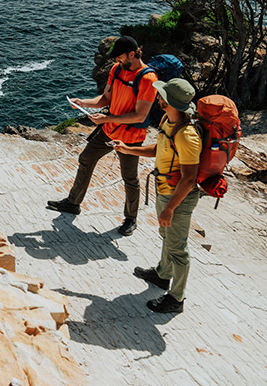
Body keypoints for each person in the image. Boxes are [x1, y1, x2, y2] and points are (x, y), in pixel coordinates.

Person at [47, 35, 156, 236]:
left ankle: (131, 219)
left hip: (130, 137)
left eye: (120, 57)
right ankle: (73, 203)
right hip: (109, 129)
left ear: (132, 54)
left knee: (129, 177)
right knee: (86, 158)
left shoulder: (148, 79)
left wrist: (106, 119)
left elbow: (139, 115)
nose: (116, 60)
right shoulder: (116, 70)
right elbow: (105, 99)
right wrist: (84, 103)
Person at [111, 78, 202, 314]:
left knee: (178, 248)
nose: (157, 98)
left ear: (169, 102)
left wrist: (170, 208)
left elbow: (189, 178)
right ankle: (163, 274)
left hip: (178, 197)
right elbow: (159, 149)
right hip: (165, 190)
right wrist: (129, 148)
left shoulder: (187, 135)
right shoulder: (167, 121)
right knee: (166, 235)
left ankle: (176, 298)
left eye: (161, 95)